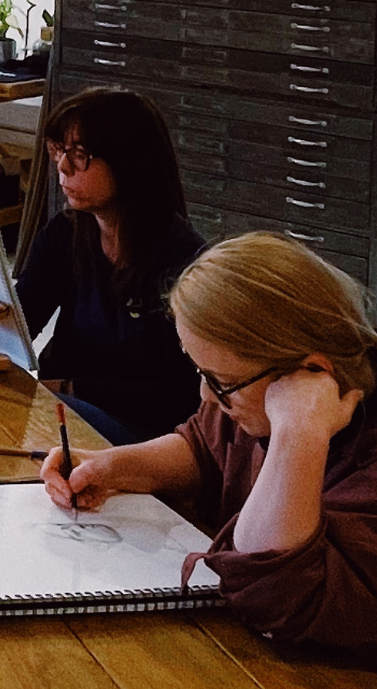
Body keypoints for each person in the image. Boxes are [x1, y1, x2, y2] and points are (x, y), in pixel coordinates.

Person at [41, 232, 377, 658]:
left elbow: (276, 593)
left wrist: (298, 433)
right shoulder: (256, 391)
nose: (206, 395)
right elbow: (205, 447)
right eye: (201, 372)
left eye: (221, 382)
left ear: (310, 371)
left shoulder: (350, 454)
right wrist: (112, 467)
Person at [16, 88, 205, 444]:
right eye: (59, 151)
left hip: (142, 431)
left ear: (128, 163)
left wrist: (69, 388)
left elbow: (179, 397)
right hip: (67, 405)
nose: (62, 166)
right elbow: (21, 322)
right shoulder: (66, 232)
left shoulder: (183, 263)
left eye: (80, 155)